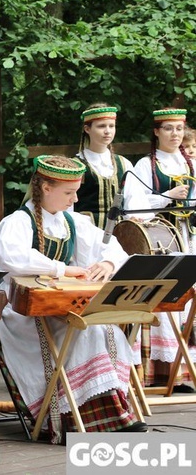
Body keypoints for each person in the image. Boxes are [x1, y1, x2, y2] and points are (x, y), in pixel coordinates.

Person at [0, 154, 146, 445]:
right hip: (23, 311)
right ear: (45, 189)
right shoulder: (18, 221)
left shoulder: (72, 222)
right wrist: (63, 269)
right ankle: (68, 420)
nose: (75, 199)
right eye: (68, 192)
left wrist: (109, 264)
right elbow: (13, 257)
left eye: (76, 191)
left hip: (62, 304)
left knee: (106, 329)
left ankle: (109, 416)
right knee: (82, 332)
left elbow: (112, 247)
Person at [128, 108, 196, 388]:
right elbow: (133, 206)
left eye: (179, 129)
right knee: (167, 300)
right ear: (156, 132)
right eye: (168, 129)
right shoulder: (145, 166)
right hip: (160, 243)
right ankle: (166, 373)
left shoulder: (191, 163)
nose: (175, 134)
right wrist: (166, 197)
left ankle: (188, 371)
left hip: (190, 238)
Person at [74, 103, 152, 227]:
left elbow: (134, 198)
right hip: (85, 233)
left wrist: (135, 217)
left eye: (111, 126)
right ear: (87, 129)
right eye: (101, 126)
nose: (107, 131)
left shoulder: (123, 164)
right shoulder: (75, 166)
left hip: (119, 233)